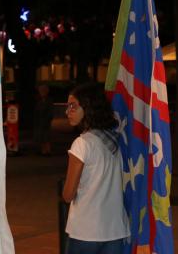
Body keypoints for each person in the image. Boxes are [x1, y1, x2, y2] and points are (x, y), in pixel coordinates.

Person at [62, 83, 129, 253]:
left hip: (85, 231)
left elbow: (68, 194)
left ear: (88, 108)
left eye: (73, 106)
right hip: (115, 230)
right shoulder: (115, 141)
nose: (67, 111)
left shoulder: (82, 144)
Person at [33, 83, 53, 156]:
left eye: (43, 91)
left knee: (46, 136)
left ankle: (47, 151)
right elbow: (36, 111)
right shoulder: (39, 100)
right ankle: (43, 150)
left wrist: (48, 119)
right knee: (41, 136)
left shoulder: (49, 100)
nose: (42, 92)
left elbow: (51, 111)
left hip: (46, 121)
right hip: (39, 121)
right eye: (40, 91)